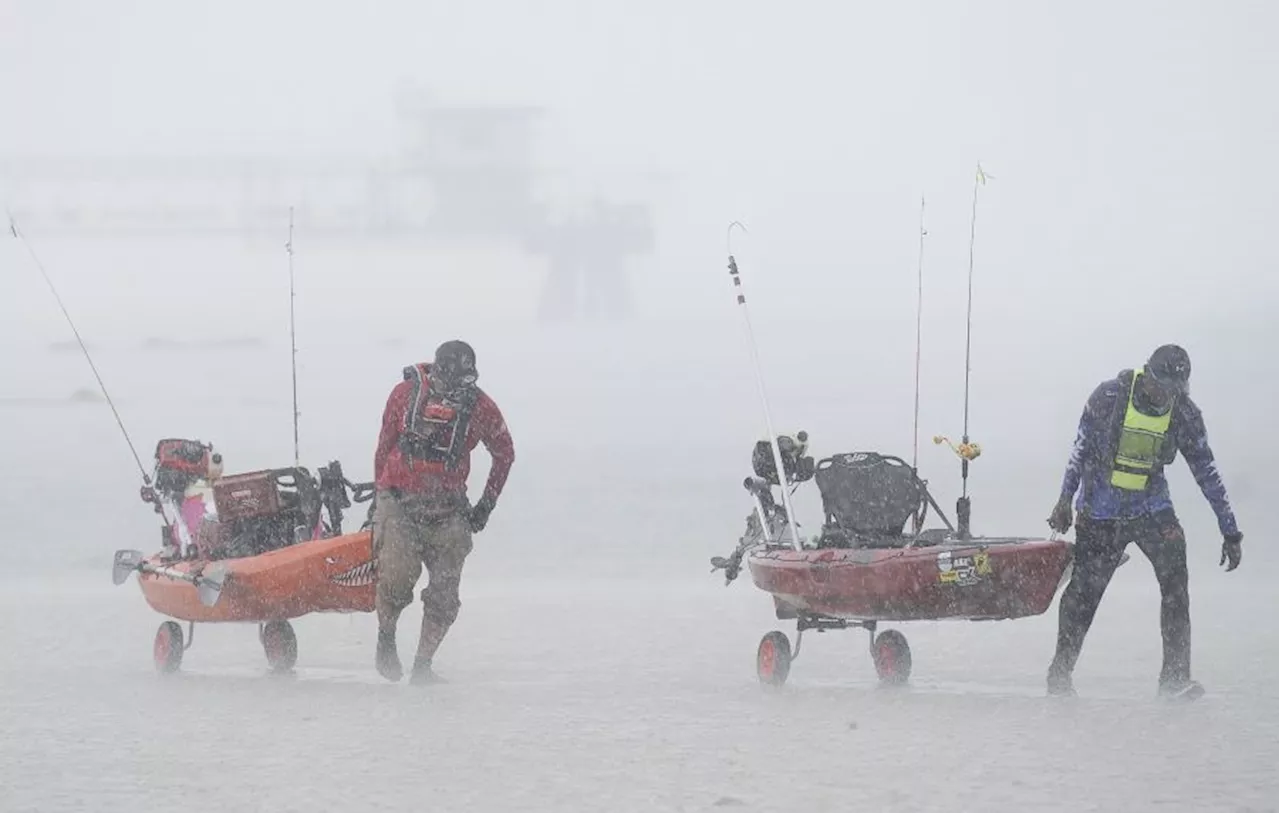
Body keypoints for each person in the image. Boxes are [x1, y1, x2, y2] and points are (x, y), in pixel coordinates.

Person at [1045, 344, 1243, 699]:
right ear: (1147, 374)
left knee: (1176, 586)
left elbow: (1207, 472)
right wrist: (1064, 499)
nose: (1163, 394)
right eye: (1159, 385)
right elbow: (1080, 448)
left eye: (1173, 389)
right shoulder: (1108, 396)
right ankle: (1060, 672)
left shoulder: (1184, 414)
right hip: (1100, 512)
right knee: (1085, 594)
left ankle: (1174, 680)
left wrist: (1230, 530)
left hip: (1152, 510)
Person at [371, 340, 515, 684]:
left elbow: (505, 453)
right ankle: (386, 636)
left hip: (449, 509)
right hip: (400, 502)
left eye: (466, 381)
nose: (456, 391)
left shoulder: (481, 407)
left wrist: (486, 504)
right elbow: (385, 445)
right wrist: (381, 497)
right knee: (396, 578)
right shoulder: (403, 395)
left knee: (445, 595)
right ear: (436, 372)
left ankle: (423, 665)